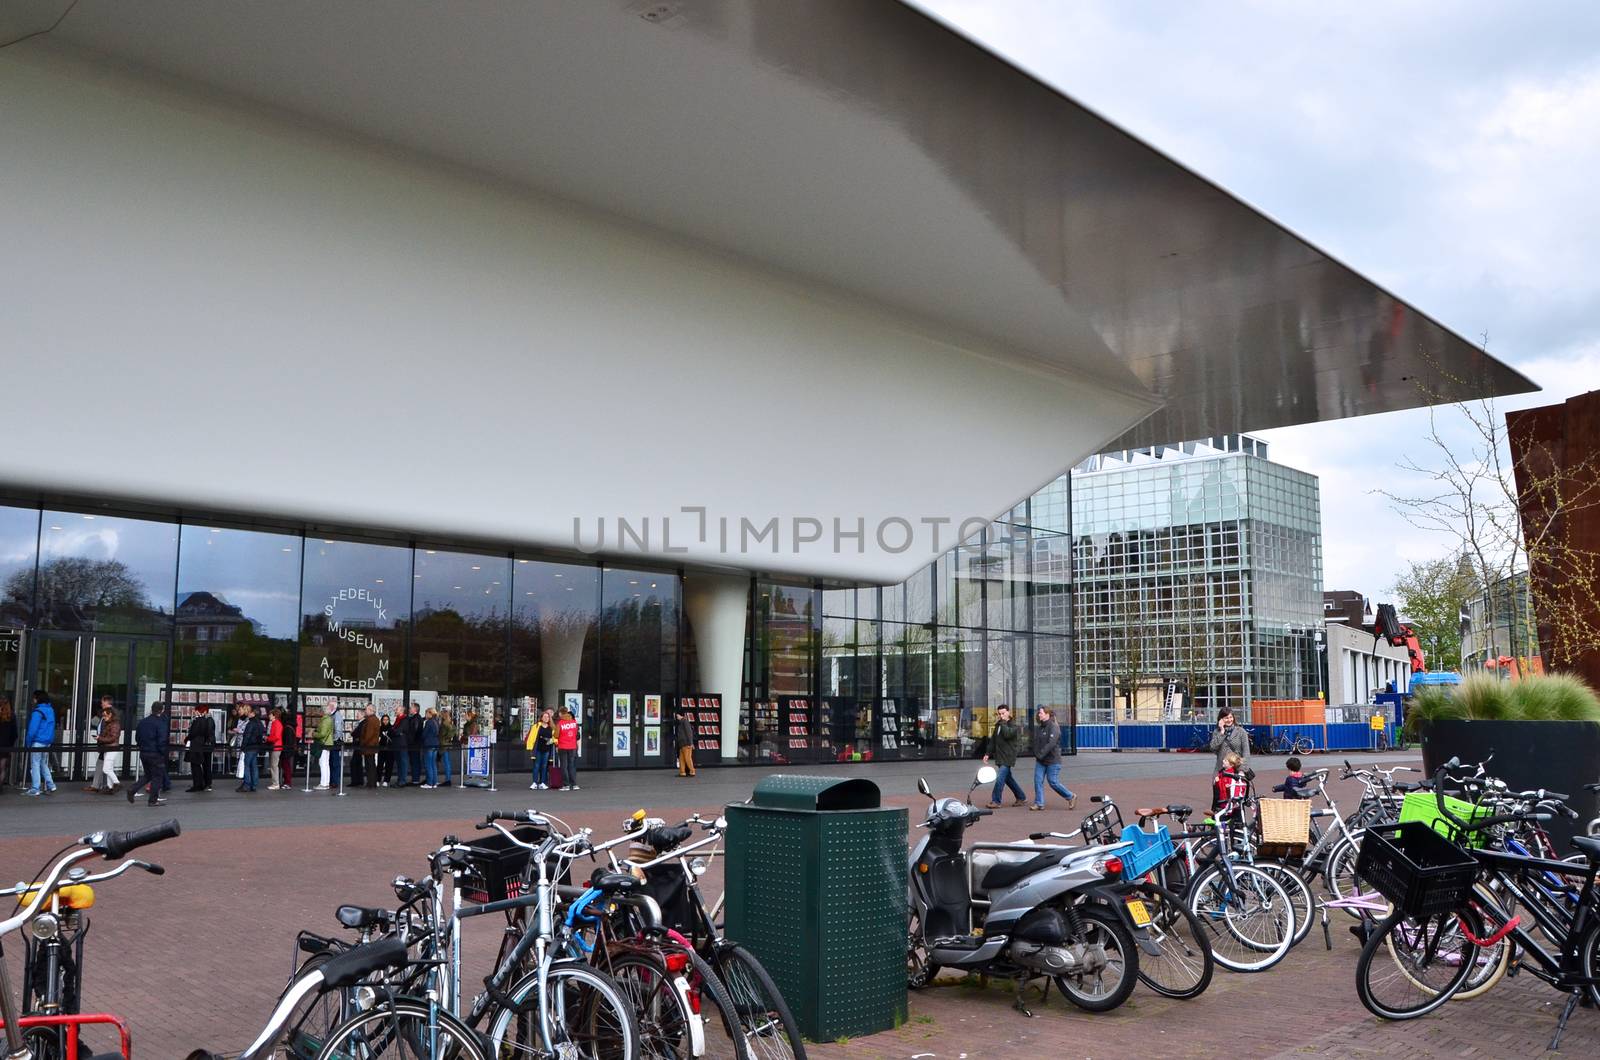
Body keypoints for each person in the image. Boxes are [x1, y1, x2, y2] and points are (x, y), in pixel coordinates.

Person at [1028, 705, 1075, 811]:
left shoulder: (1054, 727)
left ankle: (1070, 796)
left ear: (1047, 714)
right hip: (1041, 760)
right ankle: (1039, 803)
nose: (1038, 715)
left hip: (1053, 760)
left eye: (1040, 713)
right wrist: (1037, 753)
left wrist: (1040, 754)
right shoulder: (1040, 727)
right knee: (1037, 780)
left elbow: (1051, 744)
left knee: (1053, 782)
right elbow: (1036, 742)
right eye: (1039, 713)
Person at [982, 704, 1027, 808]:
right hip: (1000, 756)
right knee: (1008, 779)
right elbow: (993, 740)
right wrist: (987, 754)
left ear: (1008, 712)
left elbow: (1007, 734)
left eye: (1003, 713)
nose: (1001, 715)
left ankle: (996, 801)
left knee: (1000, 778)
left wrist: (1003, 723)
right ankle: (1021, 797)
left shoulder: (1013, 724)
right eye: (999, 713)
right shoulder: (999, 724)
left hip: (1008, 757)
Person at [127, 705, 169, 806]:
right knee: (157, 777)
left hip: (144, 752)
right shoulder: (161, 723)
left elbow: (137, 737)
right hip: (155, 753)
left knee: (148, 775)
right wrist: (162, 752)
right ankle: (153, 800)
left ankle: (133, 789)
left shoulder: (143, 722)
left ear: (152, 709)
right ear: (161, 710)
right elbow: (162, 739)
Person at [23, 690, 58, 797]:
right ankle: (51, 785)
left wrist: (28, 743)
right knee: (43, 764)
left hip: (38, 741)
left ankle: (35, 788)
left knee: (35, 764)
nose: (33, 700)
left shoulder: (38, 712)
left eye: (34, 698)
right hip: (47, 742)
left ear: (37, 699)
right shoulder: (50, 710)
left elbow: (32, 730)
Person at [87, 698, 121, 795]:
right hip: (107, 747)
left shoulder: (113, 724)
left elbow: (112, 738)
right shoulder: (109, 722)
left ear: (110, 714)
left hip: (110, 747)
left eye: (105, 716)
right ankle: (110, 787)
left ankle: (116, 783)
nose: (104, 718)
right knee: (108, 767)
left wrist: (99, 738)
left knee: (106, 768)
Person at [1208, 707, 1251, 773]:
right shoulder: (1217, 732)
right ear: (1221, 719)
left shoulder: (1241, 731)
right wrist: (1222, 731)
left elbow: (1246, 752)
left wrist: (1242, 770)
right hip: (1221, 770)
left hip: (1237, 769)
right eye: (1226, 718)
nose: (1229, 720)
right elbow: (1213, 747)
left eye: (1231, 717)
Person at [185, 707, 215, 792]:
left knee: (196, 765)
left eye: (195, 711)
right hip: (201, 745)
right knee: (199, 764)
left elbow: (193, 733)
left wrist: (187, 738)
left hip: (197, 745)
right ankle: (202, 783)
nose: (194, 712)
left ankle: (199, 784)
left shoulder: (199, 721)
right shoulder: (205, 720)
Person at [1214, 751, 1250, 817]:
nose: (1223, 761)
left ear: (1231, 764)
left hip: (1228, 802)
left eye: (1225, 760)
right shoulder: (1223, 772)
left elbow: (1228, 788)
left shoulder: (1232, 775)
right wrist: (1217, 781)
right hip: (1224, 801)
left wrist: (1219, 782)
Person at [526, 709, 554, 790]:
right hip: (537, 749)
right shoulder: (536, 726)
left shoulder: (551, 727)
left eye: (547, 717)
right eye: (544, 717)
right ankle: (534, 782)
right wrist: (530, 748)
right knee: (536, 766)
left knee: (544, 766)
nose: (546, 718)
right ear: (541, 718)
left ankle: (543, 782)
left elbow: (555, 737)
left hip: (547, 749)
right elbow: (531, 737)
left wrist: (552, 740)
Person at [238, 709, 264, 793]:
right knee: (254, 766)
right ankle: (254, 785)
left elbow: (247, 736)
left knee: (247, 766)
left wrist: (243, 747)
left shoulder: (250, 723)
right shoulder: (260, 723)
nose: (248, 714)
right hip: (256, 747)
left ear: (253, 714)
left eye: (249, 712)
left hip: (249, 747)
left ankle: (247, 784)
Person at [555, 707, 580, 792]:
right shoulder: (574, 722)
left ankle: (566, 785)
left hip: (563, 747)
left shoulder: (560, 723)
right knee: (571, 765)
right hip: (572, 747)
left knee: (564, 766)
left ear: (560, 713)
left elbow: (556, 735)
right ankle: (574, 784)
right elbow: (576, 734)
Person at [355, 706, 380, 788]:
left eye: (366, 709)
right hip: (370, 746)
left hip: (369, 746)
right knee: (370, 764)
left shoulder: (371, 720)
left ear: (370, 710)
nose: (365, 711)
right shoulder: (372, 719)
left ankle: (371, 782)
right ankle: (371, 782)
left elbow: (369, 735)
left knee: (370, 765)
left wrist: (363, 743)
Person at [314, 709, 335, 789]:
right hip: (327, 743)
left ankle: (324, 783)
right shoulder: (328, 719)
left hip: (323, 743)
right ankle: (325, 783)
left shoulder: (325, 720)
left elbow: (322, 734)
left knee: (323, 763)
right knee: (325, 763)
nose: (319, 712)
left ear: (323, 712)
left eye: (320, 711)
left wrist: (314, 733)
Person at [390, 706, 411, 786]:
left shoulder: (404, 719)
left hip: (402, 744)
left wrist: (394, 731)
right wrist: (394, 731)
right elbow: (393, 730)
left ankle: (402, 780)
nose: (395, 710)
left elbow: (397, 731)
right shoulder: (398, 719)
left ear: (402, 711)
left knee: (403, 762)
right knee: (399, 762)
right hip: (397, 743)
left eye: (397, 709)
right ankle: (399, 780)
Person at [265, 708, 285, 791]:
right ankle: (275, 783)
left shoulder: (276, 723)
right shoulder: (276, 723)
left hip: (276, 746)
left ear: (274, 715)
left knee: (274, 765)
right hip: (276, 746)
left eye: (270, 714)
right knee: (274, 765)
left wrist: (268, 738)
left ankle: (275, 783)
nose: (269, 715)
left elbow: (276, 736)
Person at [0, 697, 16, 793]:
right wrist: (10, 744)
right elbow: (15, 734)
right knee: (2, 768)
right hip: (6, 745)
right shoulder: (12, 716)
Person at [405, 704, 425, 786]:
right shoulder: (415, 718)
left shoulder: (416, 718)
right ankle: (415, 779)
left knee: (415, 761)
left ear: (415, 709)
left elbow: (414, 731)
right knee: (414, 761)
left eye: (411, 708)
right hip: (414, 743)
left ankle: (415, 779)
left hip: (414, 744)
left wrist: (410, 740)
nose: (409, 709)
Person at [674, 707, 696, 778]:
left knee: (687, 758)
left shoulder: (685, 722)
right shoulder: (681, 722)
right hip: (682, 744)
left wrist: (691, 743)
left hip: (686, 744)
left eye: (677, 715)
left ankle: (692, 771)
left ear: (680, 715)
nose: (676, 717)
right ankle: (682, 772)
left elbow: (689, 733)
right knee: (681, 759)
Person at [421, 708, 440, 789]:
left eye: (426, 713)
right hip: (435, 744)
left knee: (428, 764)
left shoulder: (429, 722)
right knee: (433, 764)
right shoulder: (436, 721)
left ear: (430, 714)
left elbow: (424, 734)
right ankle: (434, 782)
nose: (425, 715)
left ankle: (429, 783)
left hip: (428, 744)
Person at [437, 709, 455, 787]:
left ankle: (448, 779)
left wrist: (444, 738)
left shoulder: (444, 724)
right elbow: (453, 732)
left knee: (446, 762)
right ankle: (448, 779)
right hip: (447, 744)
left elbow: (443, 734)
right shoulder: (449, 723)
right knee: (447, 762)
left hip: (443, 745)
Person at [377, 714, 394, 787]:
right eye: (384, 719)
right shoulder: (379, 728)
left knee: (389, 765)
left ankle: (386, 780)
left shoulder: (392, 728)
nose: (385, 721)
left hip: (390, 750)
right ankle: (378, 779)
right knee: (380, 765)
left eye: (387, 719)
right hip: (381, 749)